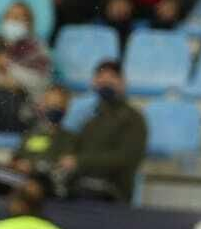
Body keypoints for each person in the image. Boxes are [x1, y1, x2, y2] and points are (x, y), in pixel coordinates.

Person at [62, 59, 145, 202]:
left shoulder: (134, 119)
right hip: (80, 184)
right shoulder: (87, 117)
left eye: (111, 79)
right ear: (93, 83)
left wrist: (81, 162)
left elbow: (125, 158)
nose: (105, 83)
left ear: (123, 83)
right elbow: (70, 147)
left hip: (113, 189)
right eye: (101, 78)